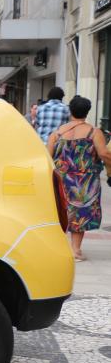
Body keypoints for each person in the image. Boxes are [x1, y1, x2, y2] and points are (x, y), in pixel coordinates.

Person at [48, 96, 111, 262]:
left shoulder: (57, 133)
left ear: (70, 110)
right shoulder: (94, 132)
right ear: (87, 112)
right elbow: (104, 153)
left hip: (62, 179)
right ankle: (75, 250)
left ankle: (62, 247)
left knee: (62, 211)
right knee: (80, 213)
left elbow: (47, 157)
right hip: (86, 181)